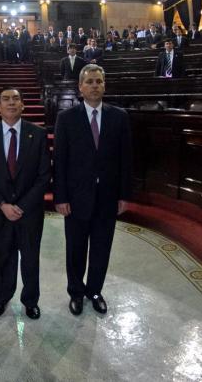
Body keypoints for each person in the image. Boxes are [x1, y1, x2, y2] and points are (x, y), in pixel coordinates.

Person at [54, 65, 132, 316]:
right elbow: (60, 161)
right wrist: (60, 197)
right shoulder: (66, 118)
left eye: (99, 81)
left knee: (101, 248)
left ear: (104, 85)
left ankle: (95, 291)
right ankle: (76, 292)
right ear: (80, 87)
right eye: (89, 82)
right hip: (76, 197)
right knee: (75, 249)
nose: (95, 85)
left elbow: (125, 159)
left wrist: (124, 194)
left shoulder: (119, 116)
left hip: (108, 197)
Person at [0, 89, 50, 320]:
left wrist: (22, 205)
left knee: (30, 258)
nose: (11, 102)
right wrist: (2, 205)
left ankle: (30, 301)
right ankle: (1, 298)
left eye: (16, 99)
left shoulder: (38, 134)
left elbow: (44, 175)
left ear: (23, 105)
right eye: (6, 99)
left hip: (30, 212)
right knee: (2, 257)